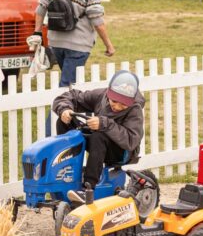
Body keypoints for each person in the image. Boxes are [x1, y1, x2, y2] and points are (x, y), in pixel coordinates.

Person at [53, 70, 145, 198]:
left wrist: (104, 124)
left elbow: (131, 140)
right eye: (114, 101)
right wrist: (64, 109)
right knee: (64, 122)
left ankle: (88, 188)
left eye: (123, 104)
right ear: (109, 93)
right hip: (99, 145)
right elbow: (72, 96)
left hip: (121, 151)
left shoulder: (135, 110)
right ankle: (67, 174)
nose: (117, 107)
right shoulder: (101, 96)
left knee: (99, 135)